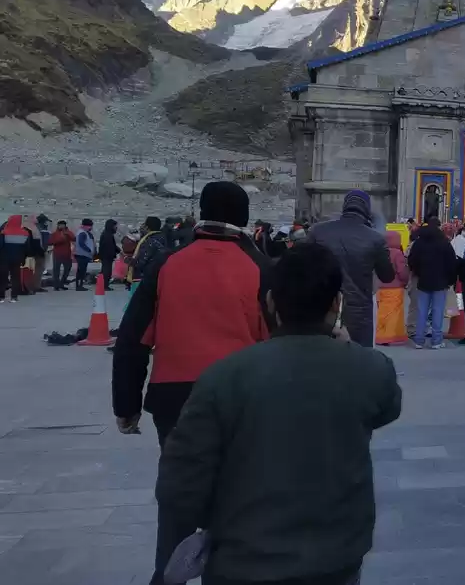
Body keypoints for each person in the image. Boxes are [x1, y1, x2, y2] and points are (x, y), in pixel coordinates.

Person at [154, 242, 401, 585]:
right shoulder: (370, 369)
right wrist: (347, 346)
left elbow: (179, 485)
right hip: (336, 560)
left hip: (243, 560)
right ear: (336, 304)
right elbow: (388, 407)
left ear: (270, 302)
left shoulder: (223, 377)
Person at [112, 182, 272, 448]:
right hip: (244, 396)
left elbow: (132, 337)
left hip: (175, 397)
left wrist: (127, 405)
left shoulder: (166, 263)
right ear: (244, 217)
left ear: (202, 212)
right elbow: (280, 339)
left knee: (182, 482)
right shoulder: (262, 267)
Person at [308, 190, 395, 347]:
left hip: (320, 308)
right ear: (366, 209)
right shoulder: (375, 238)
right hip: (359, 310)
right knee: (360, 360)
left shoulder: (318, 231)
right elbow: (387, 275)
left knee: (321, 359)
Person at [406, 217, 458, 349]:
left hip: (423, 281)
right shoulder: (444, 243)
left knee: (421, 311)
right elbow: (452, 264)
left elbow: (412, 261)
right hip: (440, 282)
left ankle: (419, 340)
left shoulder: (419, 243)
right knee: (437, 311)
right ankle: (436, 340)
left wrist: (418, 272)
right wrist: (450, 280)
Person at [375, 229, 410, 346]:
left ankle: (380, 334)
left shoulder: (380, 252)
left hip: (380, 288)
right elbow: (402, 271)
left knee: (382, 312)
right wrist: (405, 281)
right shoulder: (397, 253)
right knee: (393, 313)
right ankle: (389, 336)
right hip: (395, 288)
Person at [130, 217, 168, 287]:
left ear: (147, 227)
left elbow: (141, 261)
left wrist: (130, 261)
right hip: (157, 275)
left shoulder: (149, 241)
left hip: (144, 277)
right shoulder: (161, 237)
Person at [0, 215, 28, 303]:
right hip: (18, 258)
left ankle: (1, 297)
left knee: (3, 278)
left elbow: (0, 246)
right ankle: (14, 297)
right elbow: (26, 248)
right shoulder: (25, 233)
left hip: (4, 258)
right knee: (16, 278)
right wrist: (23, 259)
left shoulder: (4, 232)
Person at [50, 220, 75, 290]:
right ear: (58, 226)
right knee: (56, 270)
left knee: (67, 269)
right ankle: (56, 285)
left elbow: (73, 238)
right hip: (57, 254)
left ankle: (62, 283)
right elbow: (50, 242)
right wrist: (60, 240)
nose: (61, 226)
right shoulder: (55, 234)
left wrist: (67, 233)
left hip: (67, 254)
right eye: (60, 225)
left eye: (62, 225)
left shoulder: (68, 232)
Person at [73, 218, 96, 291]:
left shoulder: (86, 233)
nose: (91, 228)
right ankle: (79, 286)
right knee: (81, 271)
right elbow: (81, 243)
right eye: (90, 226)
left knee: (82, 270)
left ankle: (80, 285)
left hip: (85, 255)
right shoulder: (82, 233)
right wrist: (89, 250)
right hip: (81, 255)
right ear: (85, 226)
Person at [98, 219, 119, 291]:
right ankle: (104, 286)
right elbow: (110, 247)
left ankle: (104, 285)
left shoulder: (108, 234)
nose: (116, 228)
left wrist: (118, 251)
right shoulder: (107, 235)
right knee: (106, 271)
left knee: (105, 271)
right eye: (115, 226)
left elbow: (113, 245)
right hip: (107, 257)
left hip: (106, 256)